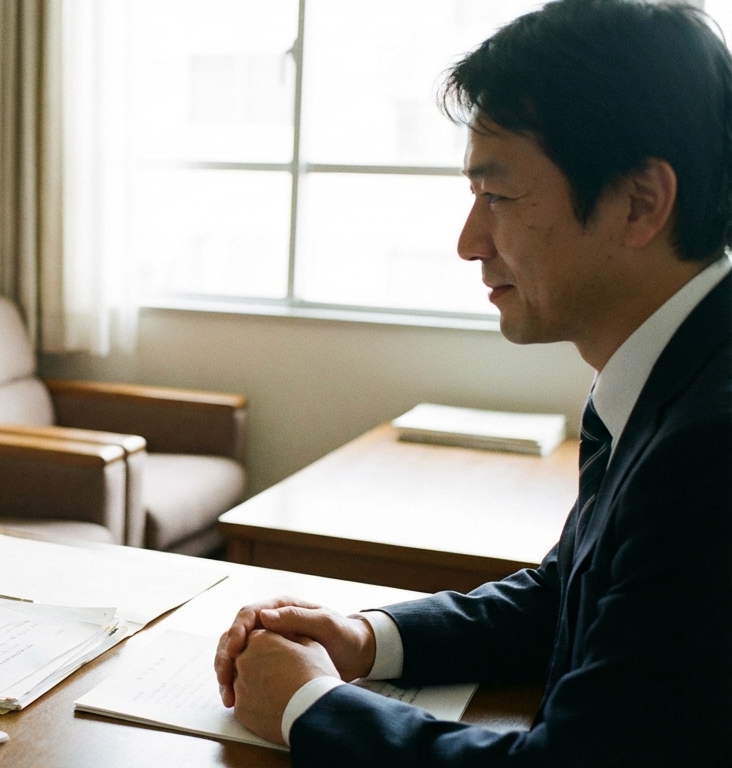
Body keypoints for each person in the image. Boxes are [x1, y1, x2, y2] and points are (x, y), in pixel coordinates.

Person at [214, 1, 732, 764]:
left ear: (640, 202)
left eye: (500, 196)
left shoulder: (711, 447)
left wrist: (310, 705)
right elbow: (573, 594)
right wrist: (367, 638)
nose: (468, 242)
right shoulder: (669, 372)